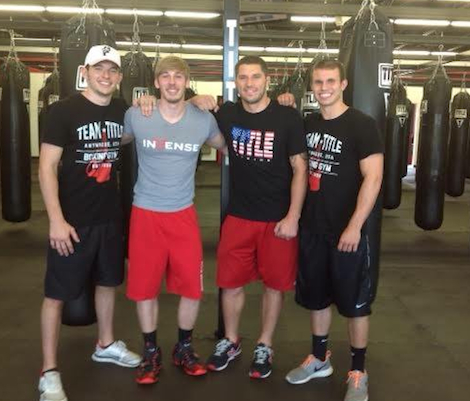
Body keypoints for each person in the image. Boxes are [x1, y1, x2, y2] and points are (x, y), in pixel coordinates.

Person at [190, 55, 308, 379]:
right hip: (239, 216)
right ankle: (230, 340)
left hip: (277, 219)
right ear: (236, 82)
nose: (249, 83)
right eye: (243, 77)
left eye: (255, 77)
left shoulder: (287, 117)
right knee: (229, 284)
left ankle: (265, 344)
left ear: (266, 80)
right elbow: (187, 107)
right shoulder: (227, 112)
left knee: (274, 286)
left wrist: (293, 216)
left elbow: (300, 167)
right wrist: (194, 97)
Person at [38, 45, 141, 401]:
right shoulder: (62, 111)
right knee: (56, 296)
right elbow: (47, 166)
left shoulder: (121, 110)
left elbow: (127, 136)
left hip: (110, 217)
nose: (106, 75)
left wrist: (154, 105)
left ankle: (106, 343)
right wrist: (55, 220)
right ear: (85, 70)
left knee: (108, 282)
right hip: (72, 220)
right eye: (100, 68)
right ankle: (49, 371)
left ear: (120, 76)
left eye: (113, 70)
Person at [278, 60, 383, 401]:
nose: (324, 87)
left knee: (355, 305)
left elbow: (374, 177)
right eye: (318, 82)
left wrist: (355, 226)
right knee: (317, 299)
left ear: (343, 84)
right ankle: (320, 358)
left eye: (330, 81)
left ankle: (358, 370)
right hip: (313, 229)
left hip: (346, 232)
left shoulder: (362, 125)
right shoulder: (307, 123)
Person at [122, 56, 226, 385]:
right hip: (145, 214)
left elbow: (229, 143)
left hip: (183, 214)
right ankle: (151, 352)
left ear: (186, 82)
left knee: (192, 289)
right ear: (155, 83)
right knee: (144, 290)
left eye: (177, 77)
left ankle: (183, 347)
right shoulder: (138, 115)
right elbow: (111, 139)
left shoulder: (202, 119)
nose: (171, 82)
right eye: (164, 76)